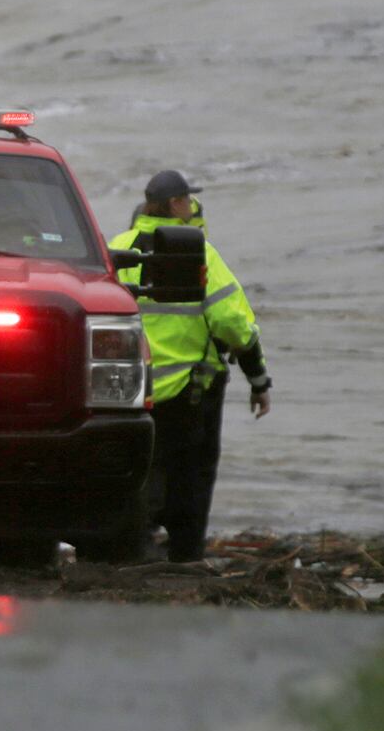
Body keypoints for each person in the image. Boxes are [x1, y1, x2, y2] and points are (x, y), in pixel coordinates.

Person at [109, 169, 270, 563]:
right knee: (192, 484)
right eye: (189, 200)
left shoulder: (117, 247)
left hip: (127, 392)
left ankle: (131, 553)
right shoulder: (199, 253)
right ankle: (186, 559)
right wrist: (258, 378)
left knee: (136, 478)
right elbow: (233, 324)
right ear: (177, 205)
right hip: (190, 394)